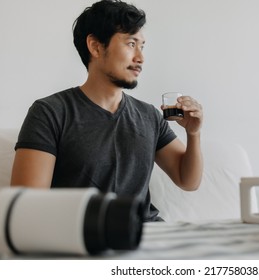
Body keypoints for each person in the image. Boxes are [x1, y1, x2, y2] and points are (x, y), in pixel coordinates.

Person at [10, 0, 203, 222]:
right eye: (131, 43)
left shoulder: (149, 115)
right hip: (82, 240)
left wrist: (193, 133)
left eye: (142, 46)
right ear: (96, 46)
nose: (140, 58)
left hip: (148, 236)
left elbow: (188, 181)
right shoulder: (49, 113)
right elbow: (26, 208)